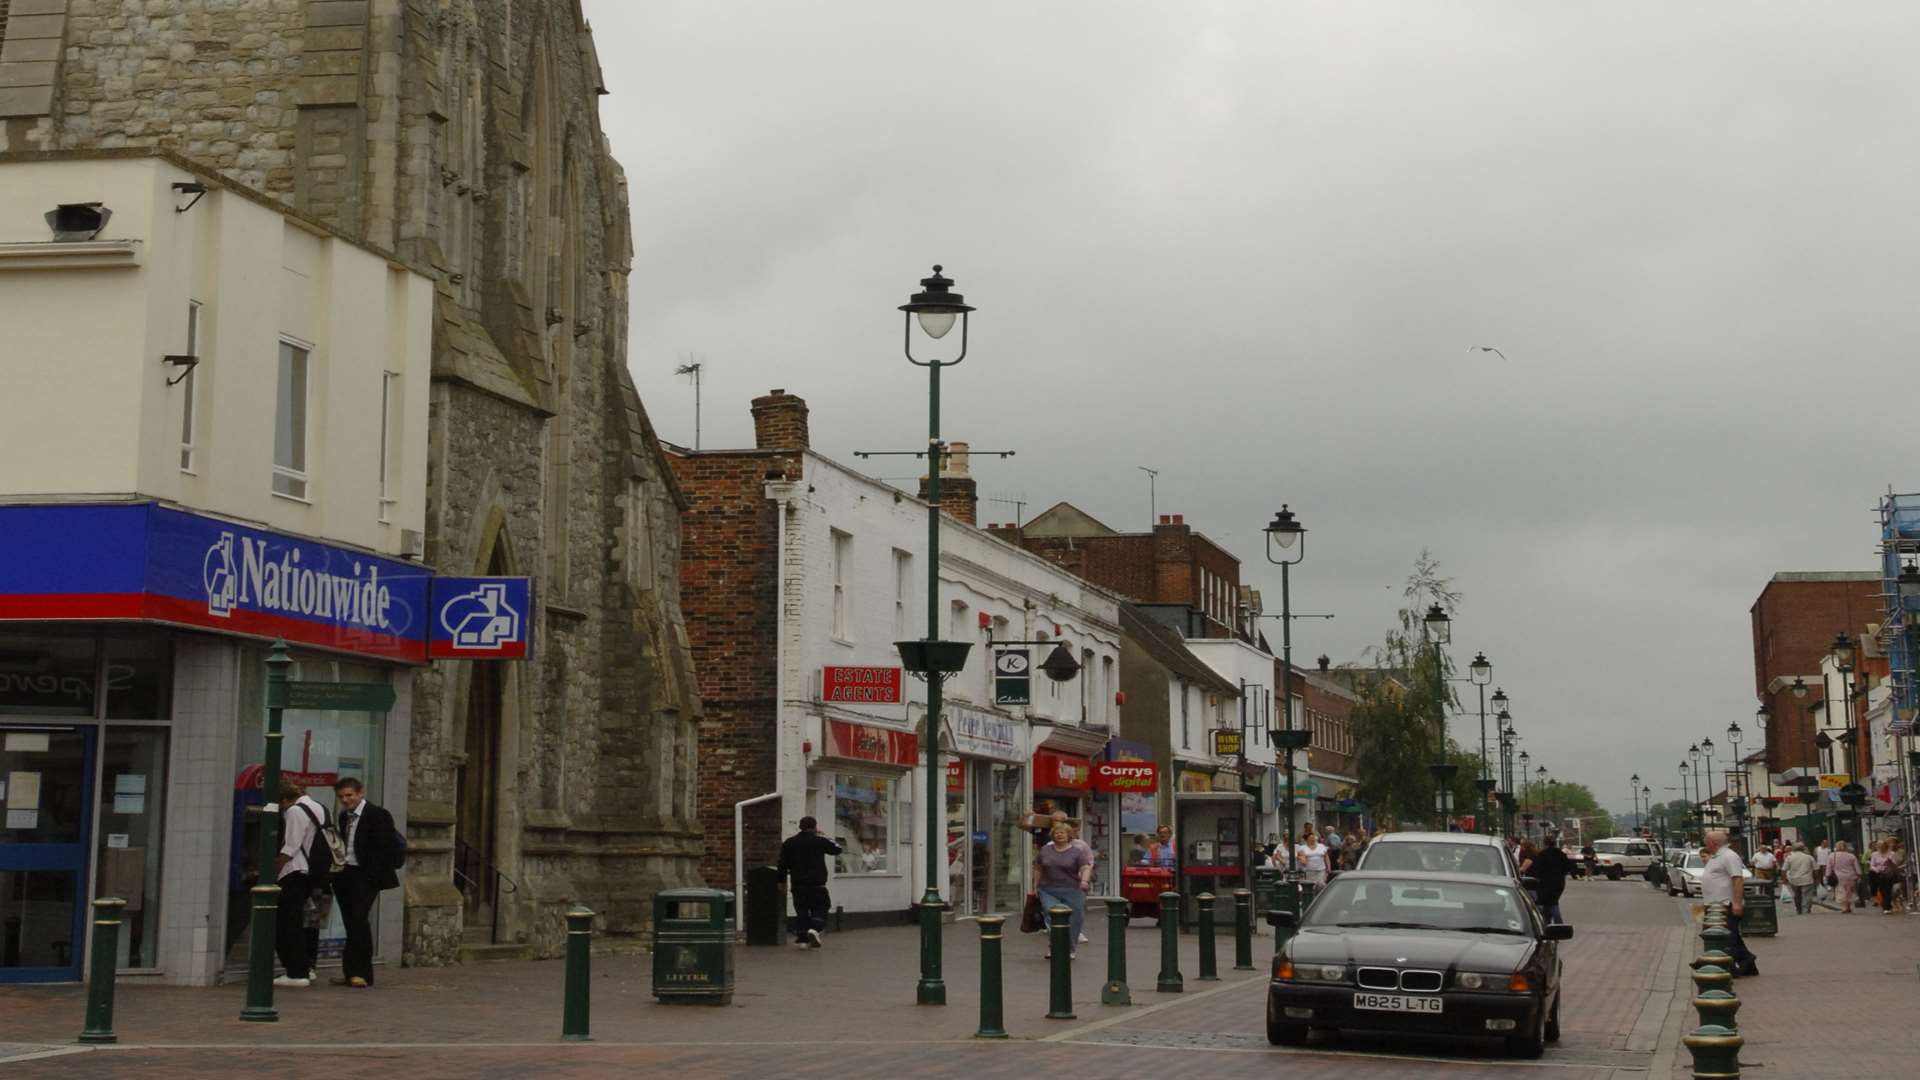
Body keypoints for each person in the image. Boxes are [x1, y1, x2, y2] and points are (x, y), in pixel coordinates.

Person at [329, 777, 404, 988]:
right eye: (341, 797)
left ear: (360, 793)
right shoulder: (344, 817)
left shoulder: (377, 815)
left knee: (359, 920)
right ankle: (350, 972)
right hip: (346, 874)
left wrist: (370, 876)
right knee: (351, 923)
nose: (345, 800)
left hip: (367, 876)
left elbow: (384, 847)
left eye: (349, 795)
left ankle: (361, 973)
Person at [274, 779, 333, 987]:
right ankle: (308, 967)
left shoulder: (294, 811)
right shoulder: (321, 808)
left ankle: (296, 972)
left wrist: (272, 871)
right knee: (307, 922)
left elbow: (290, 847)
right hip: (314, 873)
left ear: (284, 800)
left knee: (287, 923)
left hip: (295, 872)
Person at [777, 816, 843, 947]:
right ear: (814, 827)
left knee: (801, 910)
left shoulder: (789, 843)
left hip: (798, 884)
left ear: (800, 827)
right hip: (817, 884)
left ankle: (802, 939)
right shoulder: (819, 841)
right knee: (821, 907)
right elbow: (837, 849)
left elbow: (782, 864)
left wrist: (781, 881)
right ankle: (814, 929)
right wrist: (823, 836)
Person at [1701, 830, 1758, 976]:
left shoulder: (1729, 856)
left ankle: (1732, 966)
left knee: (1728, 938)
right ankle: (1747, 962)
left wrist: (1737, 903)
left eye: (1706, 840)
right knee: (1731, 937)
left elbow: (1737, 879)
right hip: (1715, 905)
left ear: (1714, 842)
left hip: (1725, 904)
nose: (1704, 843)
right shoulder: (1717, 856)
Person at [1034, 822, 1093, 958]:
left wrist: (1084, 881)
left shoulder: (1077, 852)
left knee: (1074, 919)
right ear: (1052, 835)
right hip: (1048, 889)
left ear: (1069, 835)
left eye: (1062, 832)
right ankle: (1054, 947)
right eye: (1056, 833)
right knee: (1052, 917)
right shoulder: (1045, 850)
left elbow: (1085, 868)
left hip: (1073, 890)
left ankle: (1070, 948)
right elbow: (1038, 869)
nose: (1059, 835)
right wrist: (1035, 887)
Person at [1530, 835, 1573, 924]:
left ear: (1544, 843)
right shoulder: (1561, 854)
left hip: (1545, 883)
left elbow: (1537, 869)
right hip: (1559, 883)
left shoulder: (1542, 854)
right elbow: (1568, 868)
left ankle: (1558, 923)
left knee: (1551, 903)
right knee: (1550, 902)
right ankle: (1547, 924)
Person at [1781, 842, 1817, 915]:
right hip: (1807, 879)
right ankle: (1805, 910)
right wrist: (1817, 879)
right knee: (1806, 896)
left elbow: (1784, 870)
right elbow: (1816, 869)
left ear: (1793, 849)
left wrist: (1784, 880)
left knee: (1797, 895)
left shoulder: (1789, 857)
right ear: (1803, 848)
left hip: (1794, 880)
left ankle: (1798, 909)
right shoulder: (1809, 857)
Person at [1828, 840, 1862, 914]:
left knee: (1841, 891)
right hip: (1850, 876)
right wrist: (1859, 874)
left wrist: (1828, 874)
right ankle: (1849, 906)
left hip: (1838, 876)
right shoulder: (1851, 856)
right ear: (1846, 847)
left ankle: (1844, 907)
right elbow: (1857, 867)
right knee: (1849, 891)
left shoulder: (1832, 855)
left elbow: (1829, 867)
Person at [1869, 839, 1895, 912]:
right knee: (1882, 890)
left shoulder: (1891, 853)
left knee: (1888, 890)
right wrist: (1877, 870)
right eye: (1879, 847)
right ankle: (1885, 904)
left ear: (1885, 846)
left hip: (1888, 874)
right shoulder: (1874, 854)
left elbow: (1894, 864)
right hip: (1878, 874)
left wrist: (1890, 863)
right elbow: (1872, 865)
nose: (1880, 848)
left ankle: (1887, 907)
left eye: (1882, 846)